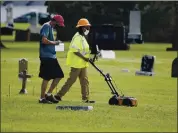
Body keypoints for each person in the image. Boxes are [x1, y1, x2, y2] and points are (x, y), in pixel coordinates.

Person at [54, 18, 95, 103]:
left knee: (84, 81)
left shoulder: (83, 37)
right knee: (71, 80)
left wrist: (88, 57)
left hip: (83, 63)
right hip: (77, 64)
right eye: (87, 27)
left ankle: (85, 98)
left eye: (88, 27)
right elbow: (75, 50)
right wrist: (84, 58)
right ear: (82, 28)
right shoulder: (77, 37)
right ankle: (58, 95)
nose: (88, 29)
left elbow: (84, 50)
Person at [38, 14, 65, 104]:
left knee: (59, 75)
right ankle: (42, 98)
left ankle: (48, 94)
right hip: (46, 56)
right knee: (46, 77)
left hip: (52, 56)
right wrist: (55, 43)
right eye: (58, 24)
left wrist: (56, 43)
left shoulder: (51, 27)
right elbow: (44, 40)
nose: (58, 26)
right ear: (55, 21)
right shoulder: (46, 26)